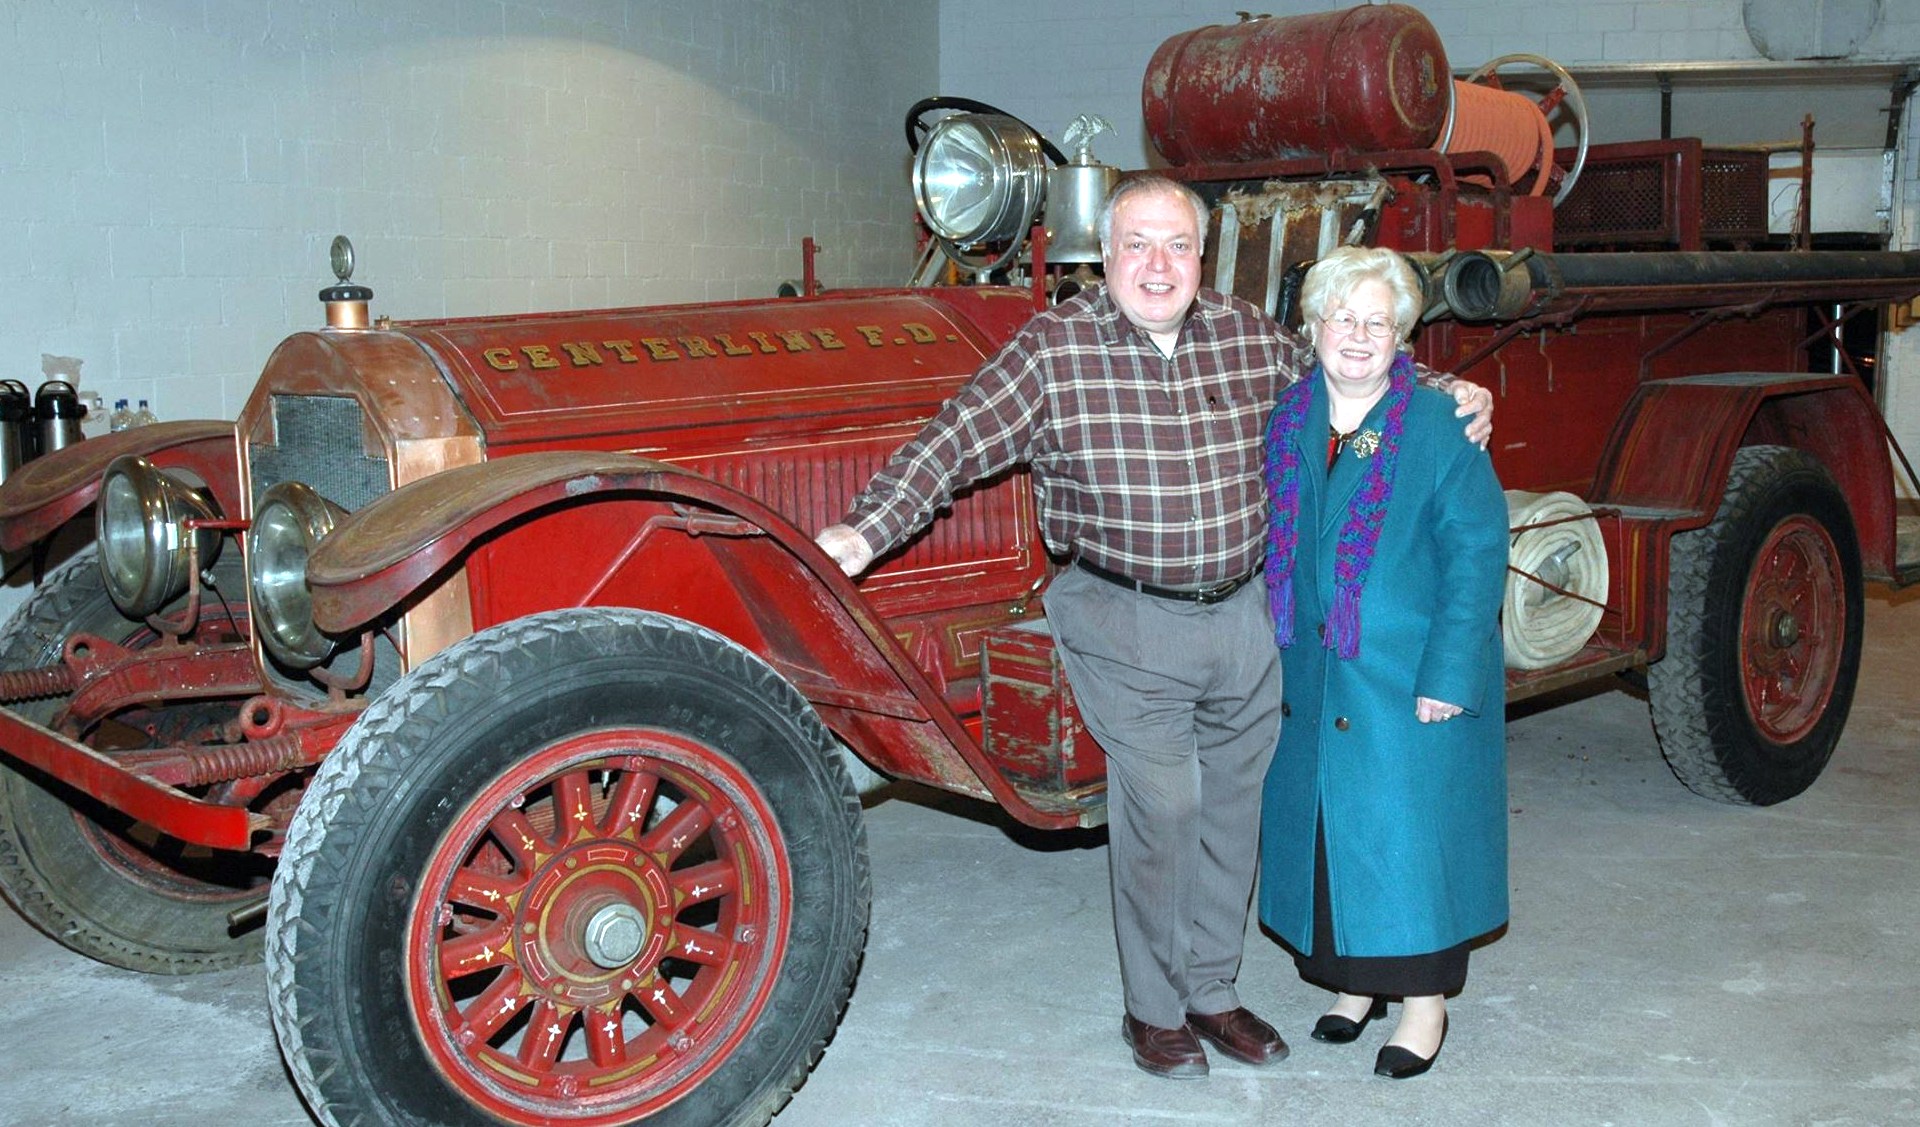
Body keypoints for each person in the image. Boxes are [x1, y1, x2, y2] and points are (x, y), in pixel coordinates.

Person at [815, 176, 1493, 1079]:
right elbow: (957, 438)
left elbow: (1356, 371)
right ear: (1105, 254)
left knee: (1233, 810)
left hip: (1248, 616)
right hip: (1123, 615)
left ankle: (1213, 992)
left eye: (1177, 244)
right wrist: (864, 528)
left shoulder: (1247, 336)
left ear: (1201, 257)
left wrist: (1453, 392)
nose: (1158, 263)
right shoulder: (1056, 347)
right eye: (1137, 243)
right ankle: (1153, 1008)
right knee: (1166, 805)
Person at [1256, 244, 1510, 1080]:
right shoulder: (1288, 418)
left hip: (1405, 677)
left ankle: (1425, 1005)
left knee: (1409, 839)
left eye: (1380, 322)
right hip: (1313, 671)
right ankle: (1353, 987)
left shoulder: (1440, 425)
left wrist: (1450, 674)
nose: (1358, 336)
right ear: (1314, 327)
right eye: (1343, 318)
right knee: (1335, 835)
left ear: (1404, 336)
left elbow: (1477, 552)